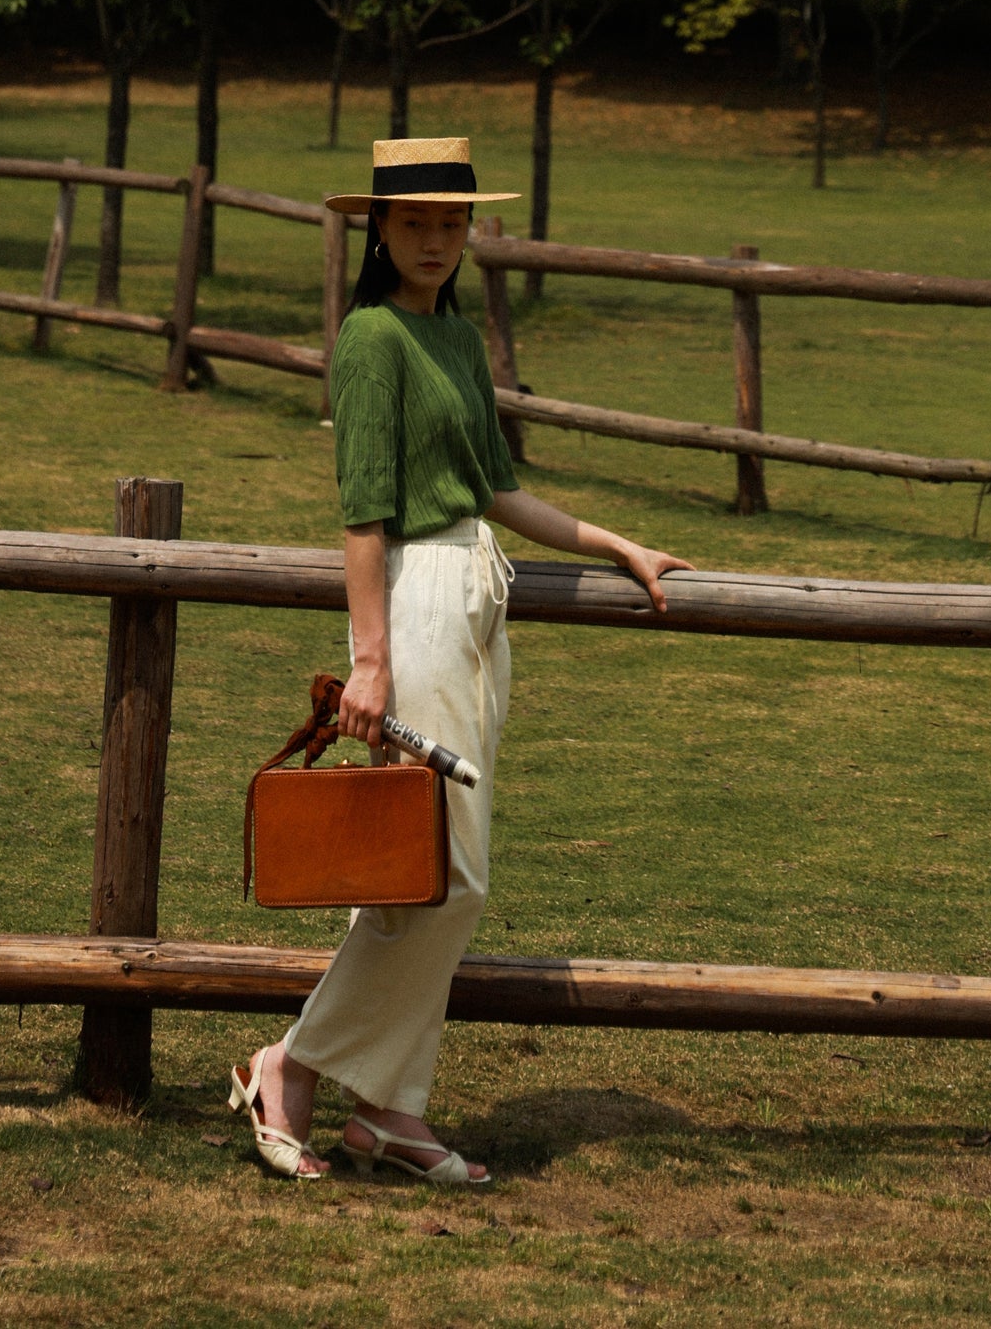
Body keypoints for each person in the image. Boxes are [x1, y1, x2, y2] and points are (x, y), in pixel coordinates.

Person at [228, 136, 693, 1184]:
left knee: (412, 876)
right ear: (378, 228)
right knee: (449, 875)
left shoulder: (453, 335)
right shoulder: (371, 338)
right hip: (417, 602)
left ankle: (390, 1110)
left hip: (479, 601)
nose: (435, 239)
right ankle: (289, 1067)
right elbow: (360, 515)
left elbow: (494, 484)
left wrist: (611, 541)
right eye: (415, 222)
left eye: (452, 222)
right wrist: (370, 661)